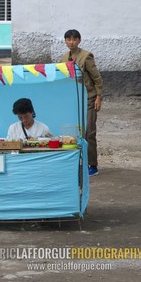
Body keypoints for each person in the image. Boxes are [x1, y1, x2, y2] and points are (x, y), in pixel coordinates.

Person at [61, 29, 103, 176]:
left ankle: (92, 165)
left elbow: (97, 78)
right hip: (74, 99)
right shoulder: (64, 57)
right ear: (65, 41)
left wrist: (98, 96)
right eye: (68, 39)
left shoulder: (86, 57)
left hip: (89, 98)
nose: (71, 42)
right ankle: (79, 161)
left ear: (79, 40)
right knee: (75, 132)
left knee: (89, 132)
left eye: (74, 39)